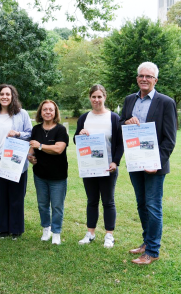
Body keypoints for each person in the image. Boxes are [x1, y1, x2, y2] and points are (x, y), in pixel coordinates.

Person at [120, 62, 177, 265]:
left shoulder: (166, 102)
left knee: (153, 206)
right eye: (141, 76)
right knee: (142, 204)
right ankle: (146, 242)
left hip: (154, 165)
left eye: (149, 76)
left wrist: (158, 163)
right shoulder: (129, 100)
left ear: (155, 80)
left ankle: (152, 251)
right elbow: (121, 125)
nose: (144, 79)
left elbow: (169, 139)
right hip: (135, 162)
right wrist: (125, 122)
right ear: (137, 78)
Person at [74, 84, 124, 248]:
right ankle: (91, 233)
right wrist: (80, 135)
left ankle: (109, 235)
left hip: (108, 167)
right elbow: (76, 140)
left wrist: (115, 162)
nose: (96, 100)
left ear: (105, 97)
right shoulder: (84, 118)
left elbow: (120, 144)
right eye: (93, 97)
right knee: (92, 200)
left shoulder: (113, 118)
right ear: (90, 98)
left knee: (108, 201)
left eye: (99, 96)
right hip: (90, 166)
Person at [0, 84, 32, 240]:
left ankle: (16, 229)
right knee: (1, 195)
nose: (4, 97)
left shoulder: (22, 114)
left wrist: (17, 133)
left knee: (17, 195)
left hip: (16, 160)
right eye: (1, 94)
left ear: (13, 97)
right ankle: (3, 229)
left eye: (8, 94)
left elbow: (31, 134)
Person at [28, 100, 69, 245]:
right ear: (40, 112)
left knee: (57, 206)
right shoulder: (36, 129)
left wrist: (40, 146)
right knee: (42, 204)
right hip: (40, 175)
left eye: (50, 110)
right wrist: (30, 157)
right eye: (44, 109)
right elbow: (31, 149)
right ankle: (46, 229)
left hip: (58, 176)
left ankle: (56, 232)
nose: (47, 112)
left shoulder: (61, 130)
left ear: (55, 112)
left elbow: (58, 149)